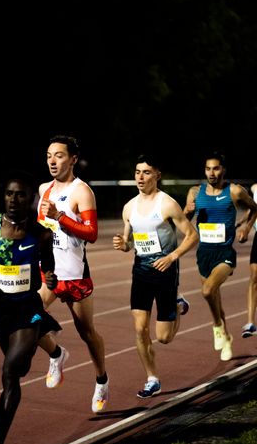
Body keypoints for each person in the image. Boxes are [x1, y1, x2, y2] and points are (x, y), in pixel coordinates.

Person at [0, 172, 61, 444]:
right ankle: (51, 344)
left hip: (28, 307)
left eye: (20, 194)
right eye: (9, 194)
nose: (13, 199)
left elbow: (48, 267)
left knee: (11, 372)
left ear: (30, 200)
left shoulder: (41, 234)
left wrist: (50, 277)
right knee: (18, 367)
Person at [113, 154, 198, 398]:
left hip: (165, 271)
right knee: (140, 330)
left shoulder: (167, 204)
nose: (140, 177)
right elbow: (130, 241)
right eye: (138, 172)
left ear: (157, 175)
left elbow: (192, 236)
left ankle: (177, 304)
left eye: (146, 172)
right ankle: (152, 378)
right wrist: (123, 244)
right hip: (140, 271)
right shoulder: (129, 207)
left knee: (164, 337)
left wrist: (172, 257)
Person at [37, 135, 109, 413]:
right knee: (27, 317)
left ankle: (101, 380)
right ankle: (56, 354)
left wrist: (60, 217)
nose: (52, 161)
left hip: (75, 274)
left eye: (59, 155)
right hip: (51, 275)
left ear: (73, 159)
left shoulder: (82, 192)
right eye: (48, 155)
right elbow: (41, 234)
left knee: (87, 333)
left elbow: (92, 234)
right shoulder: (44, 189)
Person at [184, 152, 257, 359]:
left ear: (223, 169)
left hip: (225, 253)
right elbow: (183, 220)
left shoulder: (234, 191)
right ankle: (225, 337)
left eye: (216, 168)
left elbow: (254, 208)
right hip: (204, 253)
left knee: (207, 291)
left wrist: (246, 227)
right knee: (215, 299)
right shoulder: (195, 192)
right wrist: (187, 211)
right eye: (208, 169)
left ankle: (217, 326)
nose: (211, 173)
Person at [242, 182, 257, 338]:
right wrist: (242, 223)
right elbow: (253, 208)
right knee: (254, 278)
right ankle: (250, 323)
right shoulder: (254, 188)